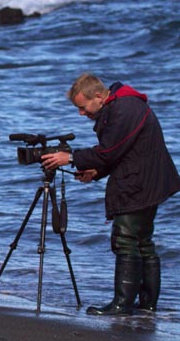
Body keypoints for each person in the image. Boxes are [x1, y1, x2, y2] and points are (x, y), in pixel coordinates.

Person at [42, 73, 180, 315]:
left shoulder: (124, 109)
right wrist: (95, 172)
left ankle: (122, 304)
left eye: (82, 108)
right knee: (142, 241)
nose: (81, 114)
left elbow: (109, 151)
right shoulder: (123, 105)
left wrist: (71, 157)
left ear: (98, 96)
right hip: (150, 178)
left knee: (126, 238)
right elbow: (121, 152)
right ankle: (147, 304)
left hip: (141, 182)